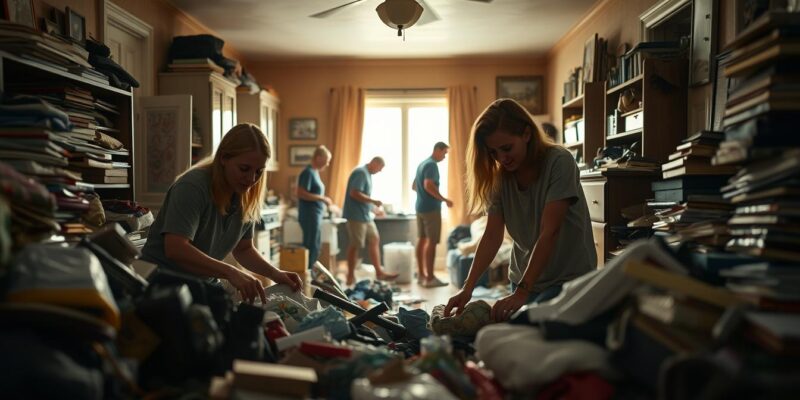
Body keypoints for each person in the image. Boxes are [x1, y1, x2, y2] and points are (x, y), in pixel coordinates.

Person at [444, 99, 596, 322]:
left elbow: (549, 232)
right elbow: (492, 236)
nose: (501, 158)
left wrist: (523, 292)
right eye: (493, 153)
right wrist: (467, 289)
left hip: (568, 280)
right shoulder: (499, 179)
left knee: (533, 334)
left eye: (506, 148)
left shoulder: (559, 162)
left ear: (526, 134)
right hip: (524, 279)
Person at [142, 123, 303, 304]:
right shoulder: (193, 187)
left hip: (200, 284)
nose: (251, 179)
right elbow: (176, 248)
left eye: (258, 172)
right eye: (244, 169)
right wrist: (231, 272)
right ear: (224, 158)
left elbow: (244, 249)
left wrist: (275, 273)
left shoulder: (244, 194)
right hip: (161, 285)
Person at [342, 157, 398, 286]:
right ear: (375, 163)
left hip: (365, 216)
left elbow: (363, 196)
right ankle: (350, 275)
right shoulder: (361, 173)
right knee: (355, 244)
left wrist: (374, 209)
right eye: (380, 168)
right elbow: (354, 193)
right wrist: (373, 201)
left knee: (374, 238)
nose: (380, 171)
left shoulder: (367, 175)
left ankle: (379, 272)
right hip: (355, 216)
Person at [412, 142, 453, 288]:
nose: (444, 157)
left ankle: (421, 275)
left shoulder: (422, 164)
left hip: (420, 207)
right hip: (431, 209)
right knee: (432, 242)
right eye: (444, 153)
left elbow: (414, 186)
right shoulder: (432, 165)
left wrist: (423, 197)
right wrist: (444, 199)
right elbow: (428, 184)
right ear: (437, 150)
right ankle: (429, 278)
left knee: (422, 239)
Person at [296, 145, 333, 270]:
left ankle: (310, 274)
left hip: (315, 214)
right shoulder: (308, 172)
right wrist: (322, 198)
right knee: (311, 245)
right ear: (318, 157)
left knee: (315, 246)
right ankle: (306, 275)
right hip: (309, 215)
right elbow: (300, 193)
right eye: (326, 160)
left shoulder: (315, 172)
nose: (327, 164)